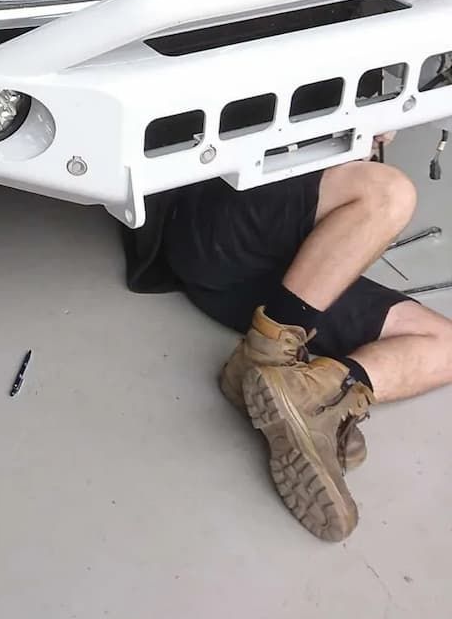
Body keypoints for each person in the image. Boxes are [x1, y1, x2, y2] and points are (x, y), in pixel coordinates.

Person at [160, 140, 452, 541]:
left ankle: (320, 398)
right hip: (211, 227)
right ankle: (267, 354)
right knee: (388, 193)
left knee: (443, 343)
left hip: (286, 282)